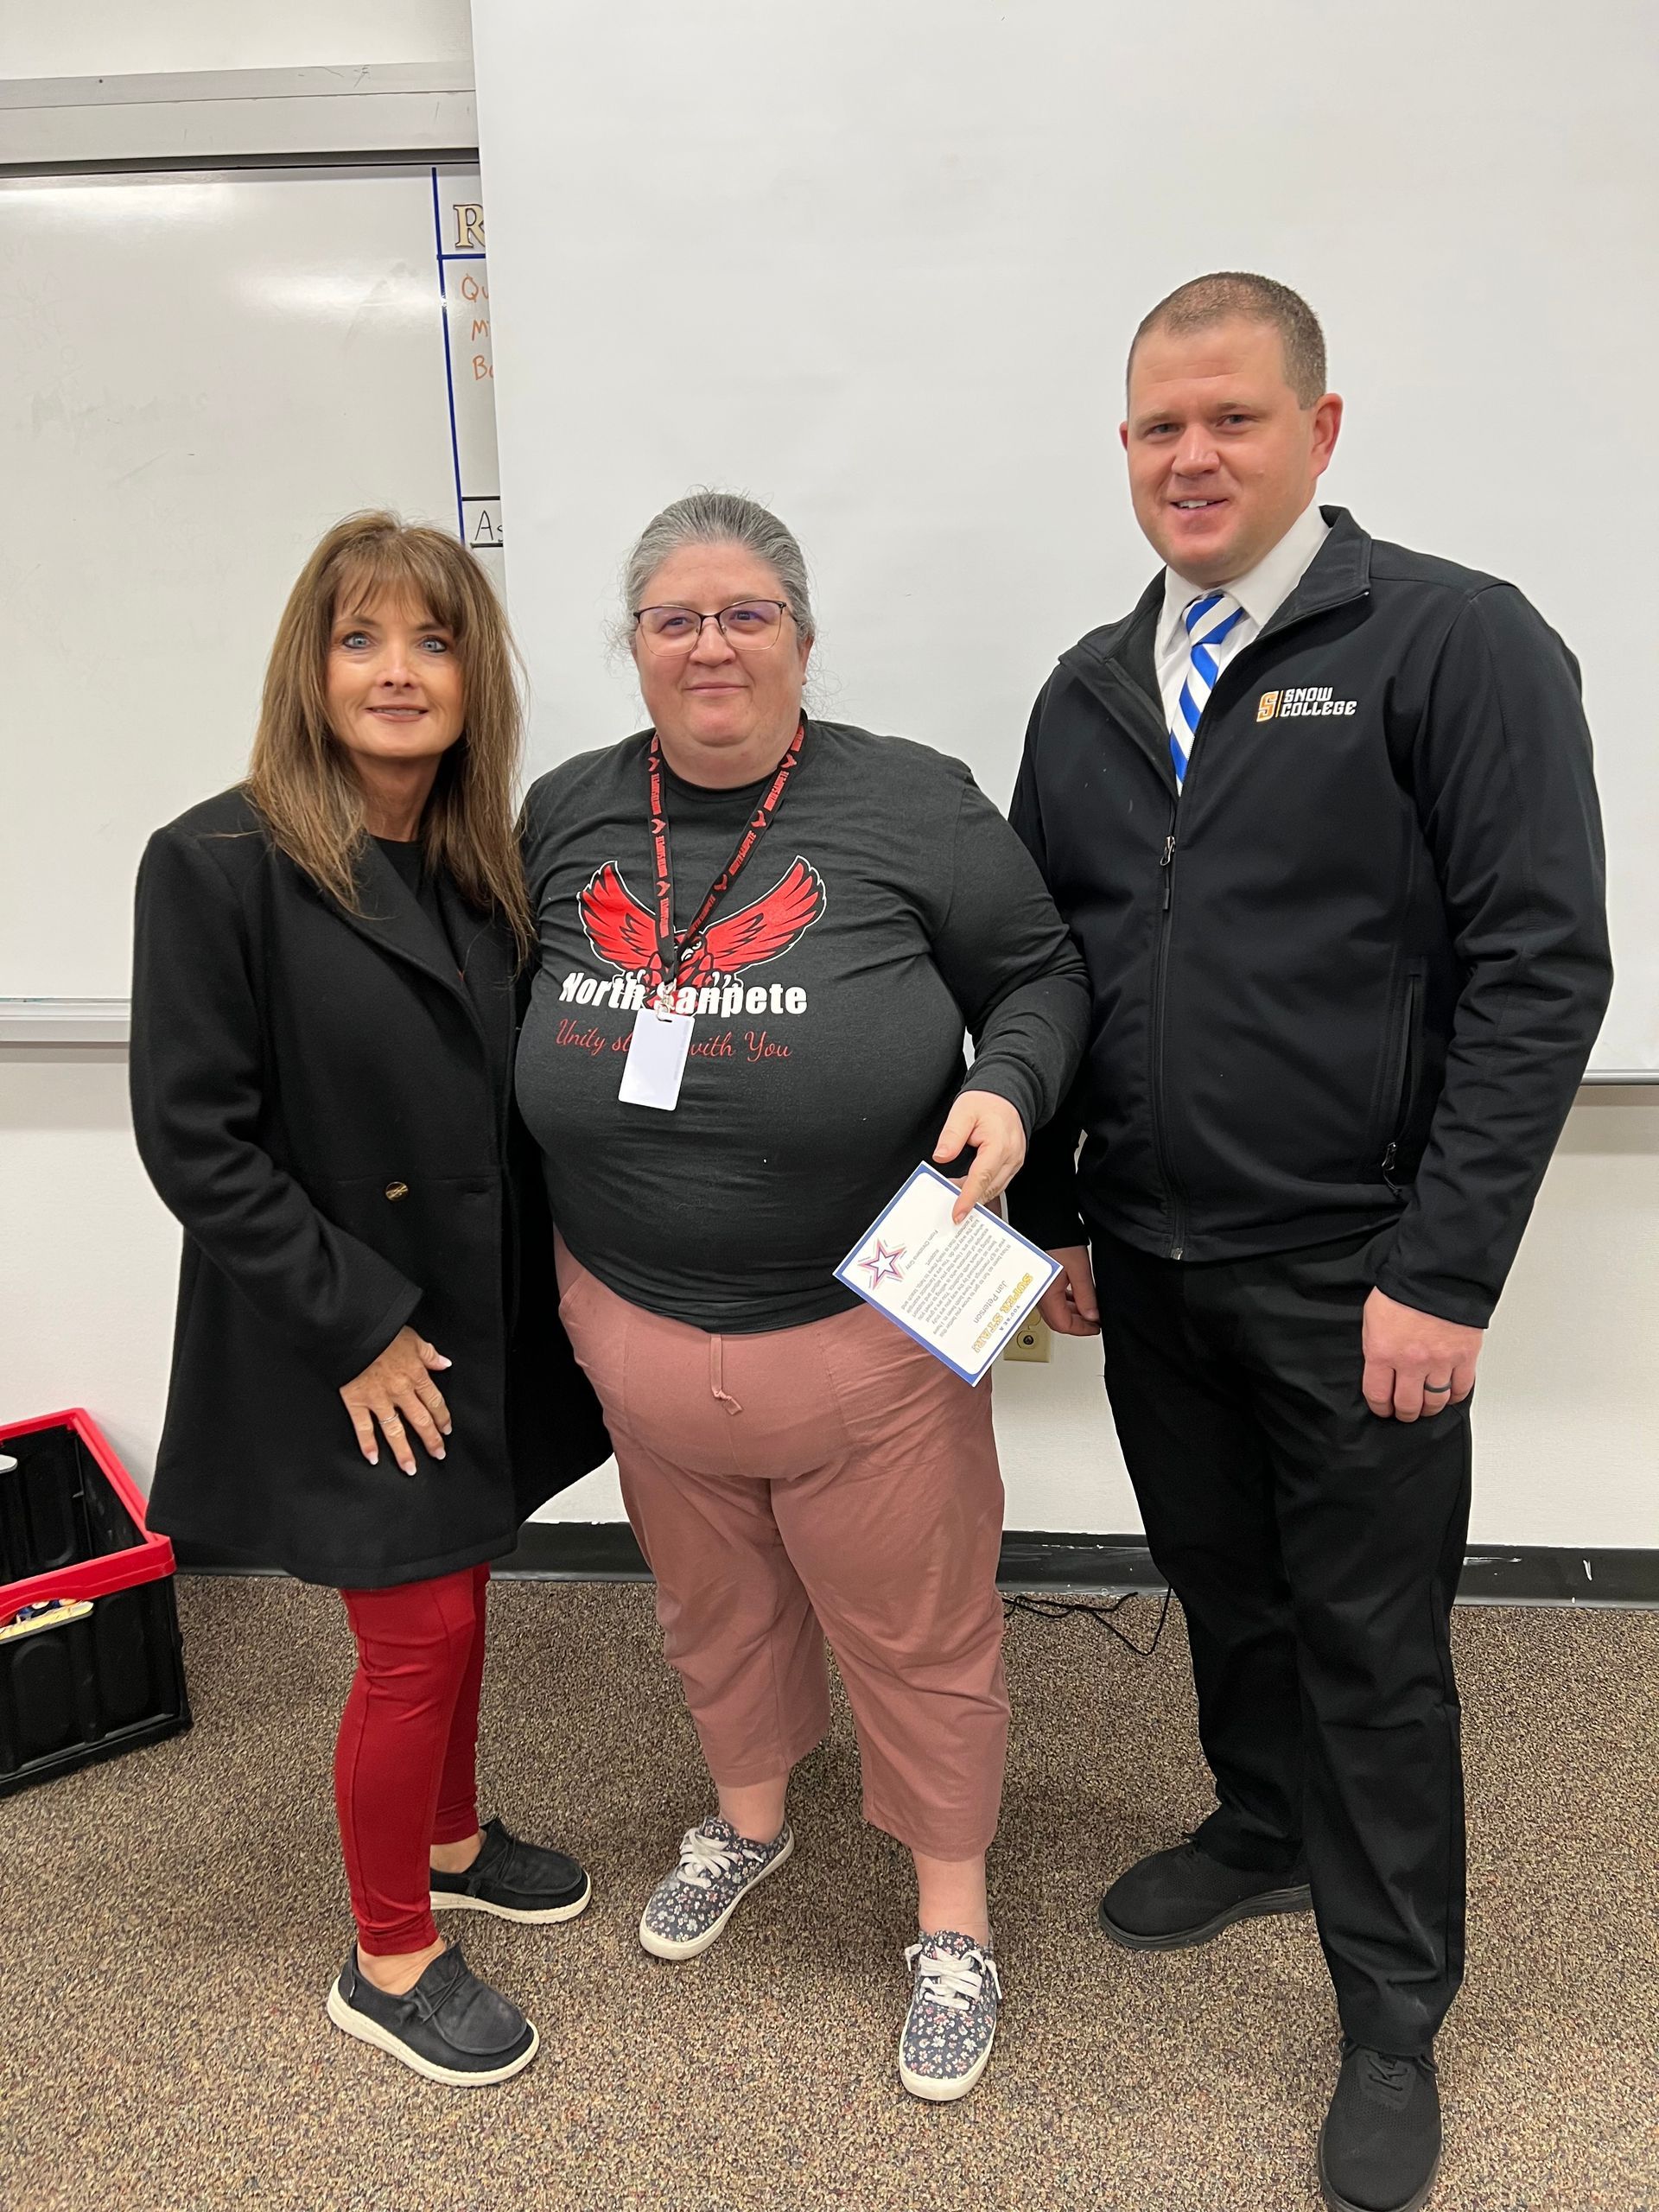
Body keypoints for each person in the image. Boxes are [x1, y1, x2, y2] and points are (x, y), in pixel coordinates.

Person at [1008, 275, 1611, 2211]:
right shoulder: (1093, 690)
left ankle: (1392, 2006)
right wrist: (1055, 1214)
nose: (1192, 457)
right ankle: (1261, 1821)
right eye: (1157, 429)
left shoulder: (1452, 641)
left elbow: (1540, 967)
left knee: (1370, 1639)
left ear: (1321, 433)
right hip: (1158, 1265)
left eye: (1233, 421)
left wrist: (1446, 1269)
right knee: (1223, 1579)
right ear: (1123, 454)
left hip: (1357, 1268)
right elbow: (1052, 975)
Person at [515, 489, 1087, 2101]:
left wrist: (1019, 1087)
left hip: (875, 1326)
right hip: (632, 1319)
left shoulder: (911, 804)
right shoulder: (562, 813)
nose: (711, 643)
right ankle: (750, 1816)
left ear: (804, 640)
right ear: (631, 649)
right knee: (712, 1606)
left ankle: (954, 1920)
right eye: (675, 618)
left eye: (746, 613)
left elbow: (1047, 972)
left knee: (919, 1632)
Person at [130, 512, 610, 2088]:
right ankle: (390, 1952)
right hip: (342, 1330)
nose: (399, 672)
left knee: (461, 1588)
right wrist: (355, 1325)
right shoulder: (216, 861)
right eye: (361, 640)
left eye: (434, 640)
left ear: (475, 676)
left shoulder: (486, 863)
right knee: (414, 1633)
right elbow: (197, 1141)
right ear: (309, 666)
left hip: (479, 1318)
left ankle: (455, 1836)